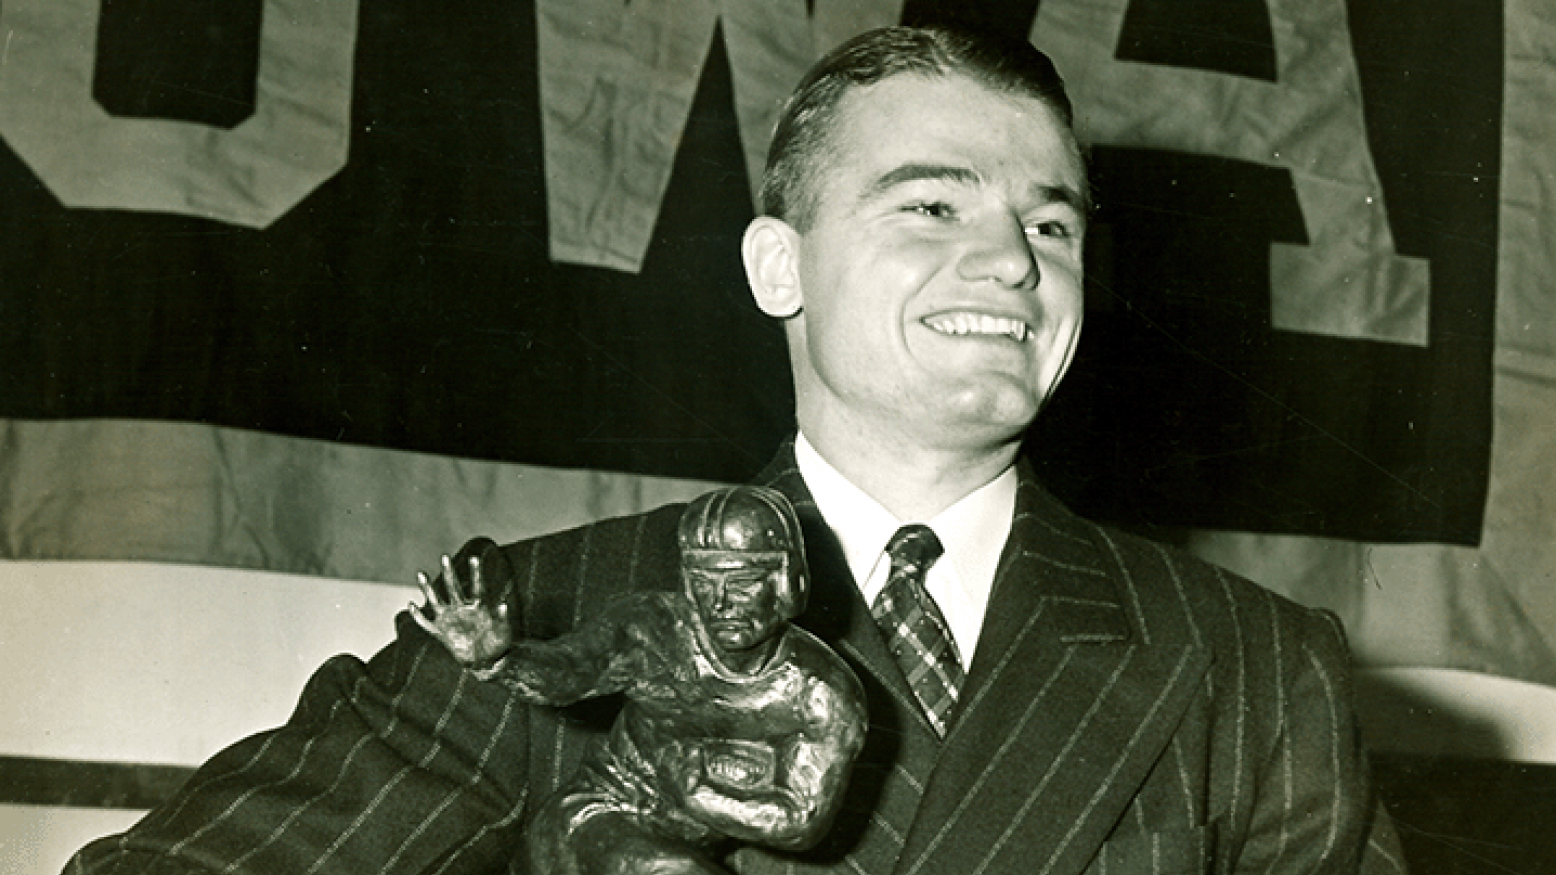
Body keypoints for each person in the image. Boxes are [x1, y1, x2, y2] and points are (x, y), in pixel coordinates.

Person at [67, 24, 1407, 875]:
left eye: (1050, 225)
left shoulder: (1251, 662)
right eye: (931, 202)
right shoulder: (547, 613)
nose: (1008, 258)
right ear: (782, 265)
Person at [411, 486, 866, 874]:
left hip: (674, 846)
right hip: (594, 816)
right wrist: (500, 661)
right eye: (705, 582)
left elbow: (800, 821)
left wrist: (694, 792)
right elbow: (570, 671)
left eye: (742, 581)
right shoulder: (653, 631)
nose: (721, 602)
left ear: (786, 585)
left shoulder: (821, 694)